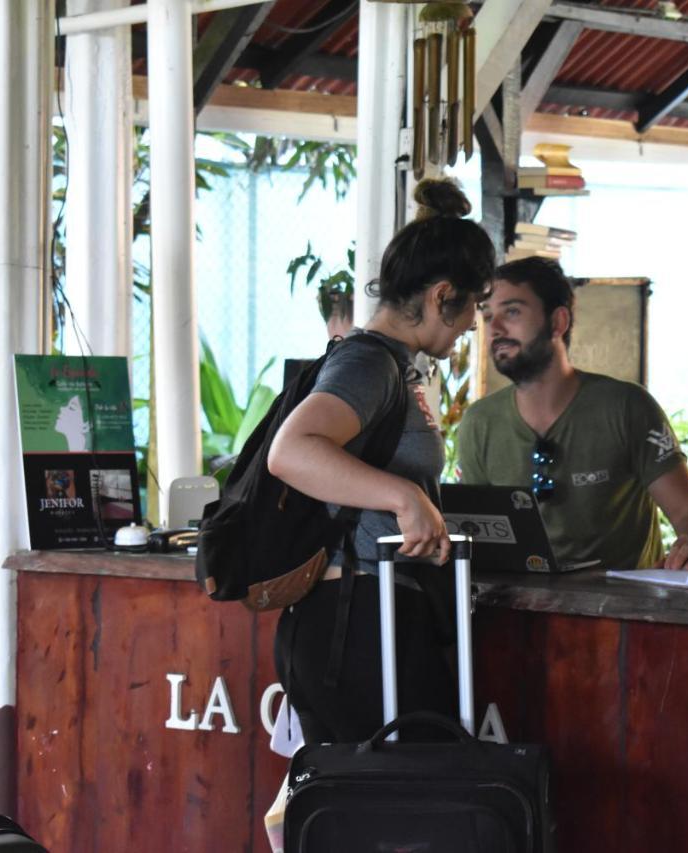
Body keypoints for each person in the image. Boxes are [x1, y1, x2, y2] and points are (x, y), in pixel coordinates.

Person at [267, 178, 495, 745]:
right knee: (416, 808)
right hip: (358, 619)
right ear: (444, 295)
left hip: (373, 612)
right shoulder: (368, 365)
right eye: (474, 307)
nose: (473, 325)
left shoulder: (397, 366)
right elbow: (291, 451)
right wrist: (405, 497)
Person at [457, 257, 688, 571]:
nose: (495, 329)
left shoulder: (626, 407)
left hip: (623, 613)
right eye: (487, 316)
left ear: (558, 322)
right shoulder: (479, 422)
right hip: (520, 612)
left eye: (512, 312)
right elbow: (476, 537)